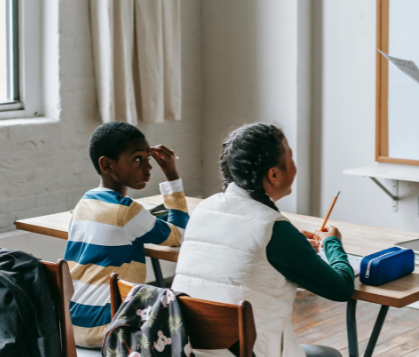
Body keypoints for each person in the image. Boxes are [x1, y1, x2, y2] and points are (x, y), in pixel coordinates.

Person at [172, 123, 354, 357]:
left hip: (189, 350)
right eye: (291, 157)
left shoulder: (204, 208)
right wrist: (332, 244)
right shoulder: (273, 229)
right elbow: (341, 289)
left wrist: (293, 243)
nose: (295, 166)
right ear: (274, 174)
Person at [65, 121, 189, 347]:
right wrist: (171, 176)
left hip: (70, 325)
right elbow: (179, 234)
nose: (148, 167)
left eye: (147, 158)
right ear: (107, 165)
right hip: (107, 327)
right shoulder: (128, 212)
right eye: (137, 159)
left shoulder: (84, 203)